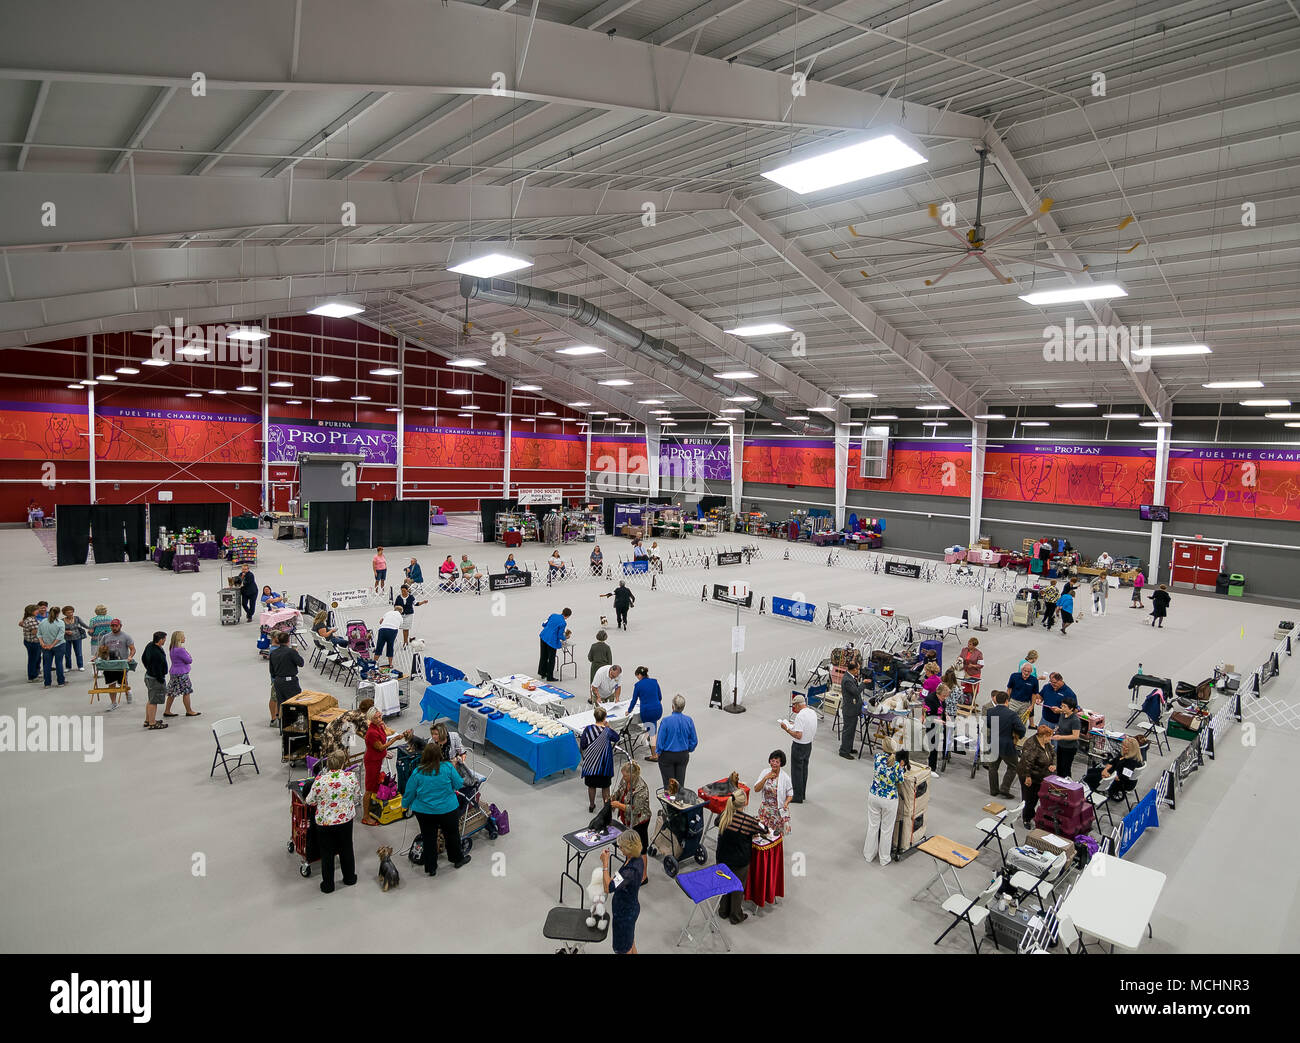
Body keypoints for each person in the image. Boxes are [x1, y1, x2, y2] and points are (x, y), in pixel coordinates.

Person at [401, 742, 471, 873]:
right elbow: (458, 784)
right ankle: (457, 859)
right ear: (440, 754)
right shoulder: (448, 768)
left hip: (424, 811)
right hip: (447, 809)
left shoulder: (418, 772)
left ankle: (431, 867)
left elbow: (409, 792)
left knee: (428, 838)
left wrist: (405, 805)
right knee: (452, 834)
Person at [306, 750, 361, 894]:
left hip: (325, 823)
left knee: (327, 853)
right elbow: (356, 798)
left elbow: (309, 800)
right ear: (343, 763)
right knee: (346, 849)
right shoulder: (351, 777)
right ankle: (350, 878)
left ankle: (328, 885)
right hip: (345, 820)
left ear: (328, 764)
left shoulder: (320, 780)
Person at [715, 778, 761, 923]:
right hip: (739, 860)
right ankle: (735, 915)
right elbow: (762, 830)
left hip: (722, 857)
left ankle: (723, 910)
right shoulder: (748, 821)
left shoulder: (724, 815)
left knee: (724, 884)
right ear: (745, 803)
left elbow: (717, 823)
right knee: (737, 888)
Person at [362, 707, 410, 825]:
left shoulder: (379, 726)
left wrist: (384, 754)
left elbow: (382, 745)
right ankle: (366, 817)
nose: (379, 719)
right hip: (372, 762)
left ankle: (374, 808)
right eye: (376, 717)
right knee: (369, 789)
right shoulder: (372, 733)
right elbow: (380, 747)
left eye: (380, 716)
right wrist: (395, 739)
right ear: (371, 719)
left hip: (378, 759)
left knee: (375, 785)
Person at [864, 736, 907, 866]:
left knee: (873, 826)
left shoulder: (877, 758)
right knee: (887, 830)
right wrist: (902, 767)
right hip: (889, 799)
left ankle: (868, 854)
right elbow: (900, 780)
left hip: (874, 795)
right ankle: (884, 858)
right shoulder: (896, 765)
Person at [601, 830, 643, 954]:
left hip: (624, 915)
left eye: (621, 847)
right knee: (629, 943)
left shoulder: (630, 872)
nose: (619, 849)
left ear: (629, 848)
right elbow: (617, 880)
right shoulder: (636, 859)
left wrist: (605, 864)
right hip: (630, 908)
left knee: (623, 949)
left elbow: (608, 888)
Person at [985, 690, 1026, 797]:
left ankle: (993, 790)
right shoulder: (1012, 714)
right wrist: (1018, 736)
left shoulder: (990, 711)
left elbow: (988, 725)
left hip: (993, 742)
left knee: (993, 767)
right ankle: (1005, 788)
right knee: (1013, 767)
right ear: (1007, 701)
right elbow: (1021, 728)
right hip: (1007, 744)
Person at [611, 760, 652, 866]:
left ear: (632, 775)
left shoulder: (641, 788)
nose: (623, 778)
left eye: (625, 776)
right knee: (629, 844)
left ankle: (643, 876)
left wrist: (618, 805)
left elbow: (635, 809)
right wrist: (613, 798)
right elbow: (620, 791)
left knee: (641, 848)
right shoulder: (625, 780)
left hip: (640, 821)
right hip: (627, 819)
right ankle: (629, 864)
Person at [579, 705, 619, 813]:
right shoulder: (607, 731)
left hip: (591, 765)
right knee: (605, 787)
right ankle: (606, 807)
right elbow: (617, 738)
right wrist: (609, 727)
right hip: (604, 765)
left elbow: (582, 745)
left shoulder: (588, 729)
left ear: (594, 717)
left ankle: (591, 805)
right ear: (605, 717)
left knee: (591, 786)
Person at [1017, 723, 1057, 828]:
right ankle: (1026, 818)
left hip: (1041, 776)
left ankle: (1032, 814)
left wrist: (1053, 764)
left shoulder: (1046, 743)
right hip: (1030, 776)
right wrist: (1028, 777)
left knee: (1036, 798)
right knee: (1029, 799)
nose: (1051, 738)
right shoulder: (1031, 745)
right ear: (1043, 736)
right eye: (1049, 736)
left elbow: (1053, 754)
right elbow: (1027, 763)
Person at [781, 693, 818, 802]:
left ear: (798, 705)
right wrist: (795, 724)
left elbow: (798, 735)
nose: (794, 708)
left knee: (796, 771)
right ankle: (802, 793)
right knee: (804, 769)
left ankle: (796, 796)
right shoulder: (812, 712)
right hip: (808, 745)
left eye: (794, 706)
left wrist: (786, 729)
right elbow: (807, 726)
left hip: (799, 745)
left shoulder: (800, 716)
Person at [656, 694, 697, 790]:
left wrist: (658, 752)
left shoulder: (666, 721)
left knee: (669, 784)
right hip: (683, 755)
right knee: (680, 784)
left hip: (667, 756)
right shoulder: (689, 720)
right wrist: (688, 749)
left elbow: (660, 740)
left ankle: (670, 803)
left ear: (672, 706)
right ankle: (679, 802)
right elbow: (694, 740)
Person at [1088, 735, 1144, 800]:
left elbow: (1123, 777)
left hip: (1120, 781)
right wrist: (1105, 770)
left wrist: (1109, 776)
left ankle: (1090, 792)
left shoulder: (1131, 762)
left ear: (1132, 750)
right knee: (1091, 771)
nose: (1123, 748)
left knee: (1091, 777)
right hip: (1113, 773)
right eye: (1123, 745)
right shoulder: (1124, 754)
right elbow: (1112, 762)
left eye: (1126, 747)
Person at [96, 618, 135, 709]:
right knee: (111, 684)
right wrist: (96, 657)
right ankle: (114, 703)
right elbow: (101, 649)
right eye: (112, 626)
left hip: (121, 664)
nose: (114, 627)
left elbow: (132, 649)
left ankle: (127, 691)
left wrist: (130, 657)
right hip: (109, 664)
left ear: (120, 626)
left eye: (116, 626)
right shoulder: (105, 637)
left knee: (123, 684)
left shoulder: (126, 636)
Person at [754, 750, 793, 836]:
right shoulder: (765, 772)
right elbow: (756, 789)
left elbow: (790, 794)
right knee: (763, 833)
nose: (774, 763)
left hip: (777, 812)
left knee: (776, 835)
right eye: (772, 761)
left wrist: (786, 803)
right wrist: (765, 778)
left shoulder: (785, 778)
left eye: (777, 762)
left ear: (781, 763)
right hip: (765, 810)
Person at [268, 630, 303, 725]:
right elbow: (301, 663)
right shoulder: (291, 652)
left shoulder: (273, 653)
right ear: (288, 641)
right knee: (295, 700)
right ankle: (294, 722)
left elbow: (272, 671)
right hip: (290, 681)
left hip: (278, 681)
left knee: (281, 702)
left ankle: (281, 722)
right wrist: (296, 653)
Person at [162, 631, 200, 718]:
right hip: (182, 673)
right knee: (186, 692)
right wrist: (187, 652)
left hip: (174, 673)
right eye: (183, 637)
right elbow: (189, 660)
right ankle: (189, 711)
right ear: (179, 638)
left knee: (172, 692)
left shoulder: (172, 648)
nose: (184, 638)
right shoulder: (180, 650)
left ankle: (167, 710)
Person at [628, 666, 663, 762]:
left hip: (647, 712)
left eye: (637, 676)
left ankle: (654, 755)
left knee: (652, 731)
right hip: (658, 709)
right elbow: (660, 697)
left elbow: (634, 700)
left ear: (639, 675)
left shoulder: (638, 685)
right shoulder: (655, 682)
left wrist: (629, 710)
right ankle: (653, 744)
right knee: (653, 727)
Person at [141, 631, 170, 731]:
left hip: (149, 676)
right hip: (155, 679)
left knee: (151, 699)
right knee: (154, 701)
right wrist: (161, 679)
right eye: (165, 639)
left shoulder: (150, 645)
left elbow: (143, 658)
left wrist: (148, 668)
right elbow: (157, 670)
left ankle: (148, 720)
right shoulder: (156, 653)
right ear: (161, 640)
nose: (165, 641)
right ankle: (152, 723)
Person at [839, 658, 863, 760]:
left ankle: (849, 747)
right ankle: (844, 751)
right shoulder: (847, 680)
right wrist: (864, 684)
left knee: (851, 730)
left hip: (853, 709)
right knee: (848, 730)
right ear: (853, 669)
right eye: (857, 669)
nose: (858, 671)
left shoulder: (851, 677)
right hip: (849, 710)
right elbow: (856, 691)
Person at [38, 604, 67, 688]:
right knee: (59, 663)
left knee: (46, 665)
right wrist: (52, 645)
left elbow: (39, 634)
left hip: (45, 646)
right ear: (58, 614)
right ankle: (61, 682)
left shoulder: (43, 622)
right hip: (59, 646)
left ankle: (47, 684)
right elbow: (60, 636)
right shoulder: (60, 623)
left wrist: (42, 644)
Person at [538, 607, 571, 682]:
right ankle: (550, 676)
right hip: (551, 641)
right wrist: (565, 637)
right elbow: (560, 635)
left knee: (543, 656)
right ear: (568, 616)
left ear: (562, 612)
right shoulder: (563, 623)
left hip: (543, 636)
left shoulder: (553, 615)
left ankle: (542, 673)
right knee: (551, 659)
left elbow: (544, 624)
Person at [923, 682, 948, 772]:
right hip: (930, 723)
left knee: (935, 745)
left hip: (938, 723)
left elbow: (942, 708)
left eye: (945, 697)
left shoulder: (941, 698)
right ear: (938, 693)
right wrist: (937, 720)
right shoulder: (929, 699)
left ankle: (932, 763)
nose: (944, 698)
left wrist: (946, 715)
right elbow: (926, 716)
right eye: (943, 696)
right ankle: (931, 768)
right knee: (932, 746)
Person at [1054, 697, 1081, 778]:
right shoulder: (1062, 714)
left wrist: (1061, 737)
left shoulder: (1075, 720)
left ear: (1071, 709)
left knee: (1065, 768)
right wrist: (1055, 730)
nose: (1062, 708)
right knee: (1059, 766)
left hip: (1069, 747)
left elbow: (1075, 736)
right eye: (1062, 706)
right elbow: (1060, 726)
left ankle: (1066, 785)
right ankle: (1058, 782)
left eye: (1064, 707)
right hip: (1061, 745)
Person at [1006, 662, 1039, 726]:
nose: (1026, 673)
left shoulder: (1034, 680)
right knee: (1008, 720)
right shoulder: (1014, 676)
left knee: (1021, 724)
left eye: (1028, 671)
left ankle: (1019, 735)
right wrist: (1007, 701)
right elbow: (1009, 689)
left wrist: (1032, 706)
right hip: (1013, 702)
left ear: (1031, 672)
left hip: (1025, 704)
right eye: (1025, 671)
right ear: (1021, 670)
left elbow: (1034, 694)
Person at [62, 606, 88, 672]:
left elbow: (83, 624)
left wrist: (90, 628)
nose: (70, 614)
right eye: (68, 613)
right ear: (64, 613)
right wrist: (66, 631)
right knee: (67, 653)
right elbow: (60, 629)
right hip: (66, 638)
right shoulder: (62, 621)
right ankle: (68, 667)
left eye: (71, 612)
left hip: (77, 637)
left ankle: (80, 666)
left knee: (78, 652)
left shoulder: (77, 618)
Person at [20, 604, 41, 683]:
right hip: (33, 642)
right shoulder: (31, 620)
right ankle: (32, 677)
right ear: (31, 611)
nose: (38, 611)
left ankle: (34, 673)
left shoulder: (29, 619)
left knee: (35, 658)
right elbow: (35, 632)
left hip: (29, 641)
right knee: (33, 659)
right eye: (36, 610)